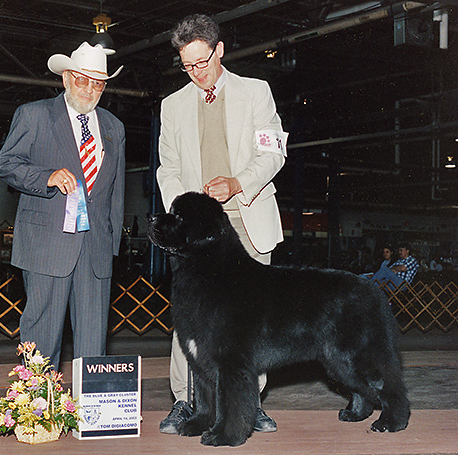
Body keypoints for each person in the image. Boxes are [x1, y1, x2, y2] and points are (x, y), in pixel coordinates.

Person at [156, 14, 288, 435]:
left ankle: (252, 403)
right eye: (187, 66)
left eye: (201, 63)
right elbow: (167, 169)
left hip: (247, 217)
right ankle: (185, 400)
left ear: (220, 50)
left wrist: (237, 183)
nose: (195, 73)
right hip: (196, 232)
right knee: (191, 317)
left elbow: (273, 154)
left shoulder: (257, 93)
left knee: (253, 321)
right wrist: (185, 211)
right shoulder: (172, 105)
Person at [0, 42, 126, 369]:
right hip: (46, 247)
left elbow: (116, 192)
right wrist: (46, 175)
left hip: (96, 250)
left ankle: (91, 415)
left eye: (98, 83)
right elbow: (7, 164)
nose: (90, 89)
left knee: (93, 343)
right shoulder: (34, 114)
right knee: (42, 336)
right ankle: (37, 414)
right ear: (67, 78)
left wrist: (111, 248)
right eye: (83, 80)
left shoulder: (114, 127)